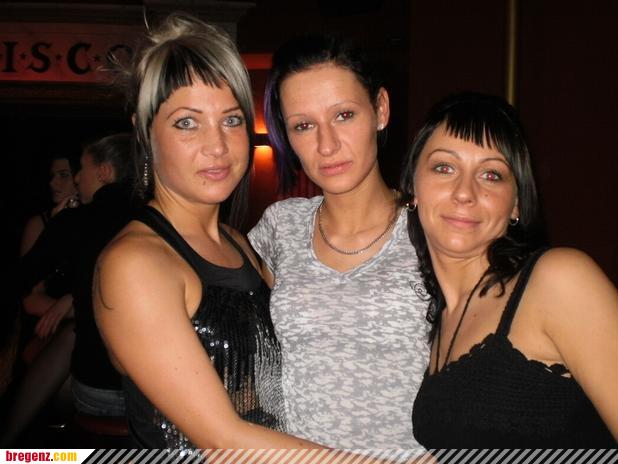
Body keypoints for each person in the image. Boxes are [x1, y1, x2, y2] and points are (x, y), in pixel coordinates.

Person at [93, 13, 323, 451]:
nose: (217, 145)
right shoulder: (135, 263)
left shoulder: (240, 243)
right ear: (145, 132)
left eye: (231, 120)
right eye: (187, 122)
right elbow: (224, 441)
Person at [403, 92, 617, 447]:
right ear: (413, 186)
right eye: (444, 168)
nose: (465, 192)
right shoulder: (442, 322)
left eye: (491, 175)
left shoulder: (558, 280)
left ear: (516, 203)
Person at [248, 34, 430, 449]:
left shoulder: (432, 228)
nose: (326, 145)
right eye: (304, 125)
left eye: (344, 115)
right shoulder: (280, 226)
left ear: (380, 109)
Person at [20, 133, 134, 420]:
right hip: (153, 385)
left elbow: (22, 277)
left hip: (104, 386)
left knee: (72, 337)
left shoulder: (77, 221)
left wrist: (74, 304)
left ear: (104, 172)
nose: (77, 178)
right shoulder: (154, 216)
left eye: (80, 170)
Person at [20, 155, 79, 257]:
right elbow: (29, 266)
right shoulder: (38, 224)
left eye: (63, 175)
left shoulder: (93, 217)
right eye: (52, 176)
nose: (52, 183)